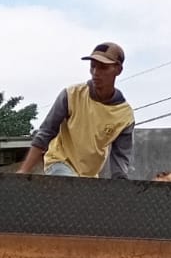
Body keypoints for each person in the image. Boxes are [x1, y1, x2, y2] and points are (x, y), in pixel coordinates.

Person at [17, 43, 135, 179]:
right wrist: (24, 171)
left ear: (118, 70)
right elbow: (46, 132)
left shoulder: (124, 116)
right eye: (93, 66)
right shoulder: (72, 95)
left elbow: (120, 158)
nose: (96, 72)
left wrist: (120, 186)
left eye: (103, 67)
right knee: (70, 186)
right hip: (60, 162)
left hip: (89, 175)